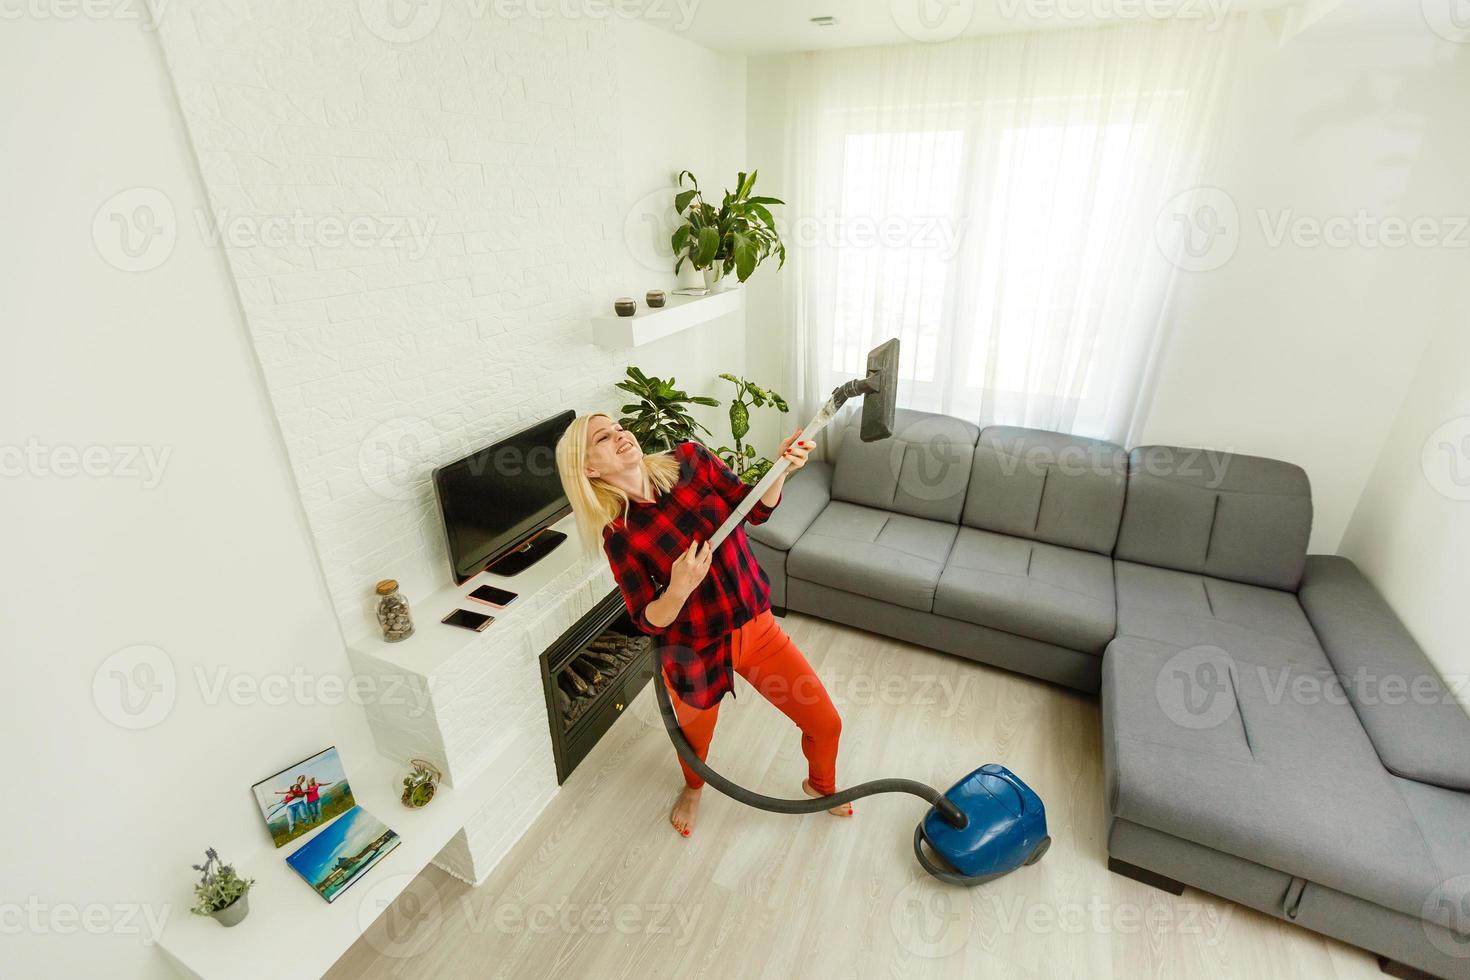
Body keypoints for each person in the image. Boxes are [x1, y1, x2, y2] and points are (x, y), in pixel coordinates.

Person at [555, 414, 851, 838]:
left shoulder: (691, 460)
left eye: (620, 426)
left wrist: (782, 468)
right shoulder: (618, 533)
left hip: (756, 627)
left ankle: (821, 786)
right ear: (589, 469)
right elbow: (645, 618)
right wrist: (678, 589)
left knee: (826, 723)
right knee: (696, 745)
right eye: (604, 437)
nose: (621, 434)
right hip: (692, 651)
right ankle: (693, 788)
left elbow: (754, 507)